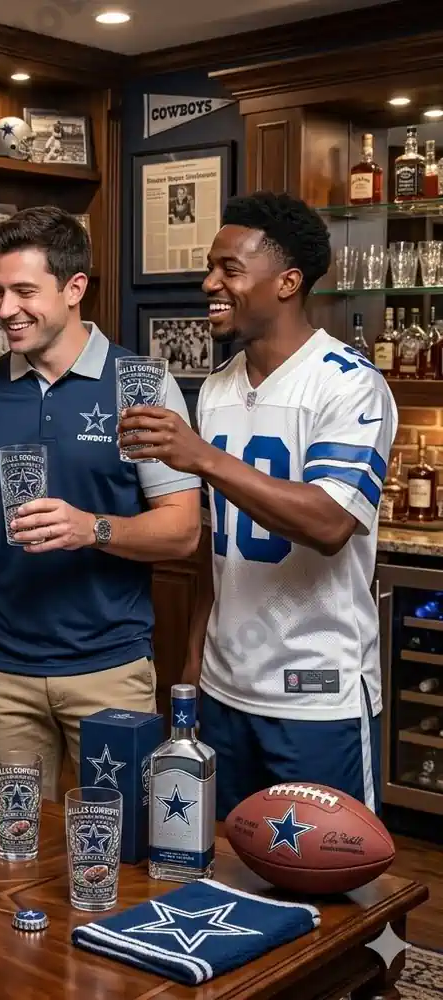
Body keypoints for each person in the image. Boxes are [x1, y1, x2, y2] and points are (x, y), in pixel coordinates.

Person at [118, 191, 398, 817]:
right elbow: (217, 550)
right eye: (210, 267)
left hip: (314, 696)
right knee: (223, 874)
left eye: (229, 270)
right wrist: (191, 668)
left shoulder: (349, 383)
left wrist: (205, 459)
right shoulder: (217, 387)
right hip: (223, 691)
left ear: (288, 282)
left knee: (331, 885)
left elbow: (329, 523)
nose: (209, 283)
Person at [0, 205, 203, 801]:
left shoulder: (141, 383)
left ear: (74, 288)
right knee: (12, 851)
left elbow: (182, 531)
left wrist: (91, 529)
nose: (5, 310)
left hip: (109, 668)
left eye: (25, 291)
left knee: (119, 852)